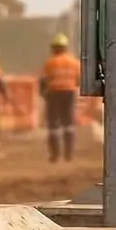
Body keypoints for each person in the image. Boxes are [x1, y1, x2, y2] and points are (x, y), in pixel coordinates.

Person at [40, 33, 82, 163]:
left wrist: (43, 94)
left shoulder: (50, 62)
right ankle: (69, 155)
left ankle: (55, 155)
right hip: (69, 93)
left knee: (53, 125)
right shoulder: (74, 62)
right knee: (68, 123)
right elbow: (79, 79)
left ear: (54, 47)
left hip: (54, 94)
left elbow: (44, 80)